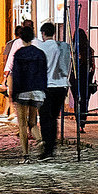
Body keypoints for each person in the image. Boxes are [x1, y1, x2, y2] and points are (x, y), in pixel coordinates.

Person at [8, 25, 47, 163]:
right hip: (36, 91)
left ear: (21, 38)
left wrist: (13, 94)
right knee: (33, 122)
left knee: (22, 124)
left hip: (22, 92)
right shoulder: (40, 53)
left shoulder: (19, 54)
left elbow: (16, 75)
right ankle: (40, 140)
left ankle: (25, 155)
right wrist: (43, 90)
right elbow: (44, 73)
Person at [38, 22, 71, 160]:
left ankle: (48, 148)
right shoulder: (62, 47)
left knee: (45, 118)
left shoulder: (41, 47)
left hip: (47, 86)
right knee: (54, 117)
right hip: (61, 86)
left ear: (43, 33)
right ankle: (52, 146)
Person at [69, 28, 95, 133]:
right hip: (86, 78)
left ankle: (78, 123)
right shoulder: (90, 50)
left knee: (77, 100)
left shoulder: (73, 51)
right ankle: (82, 123)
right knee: (85, 101)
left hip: (75, 78)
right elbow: (93, 66)